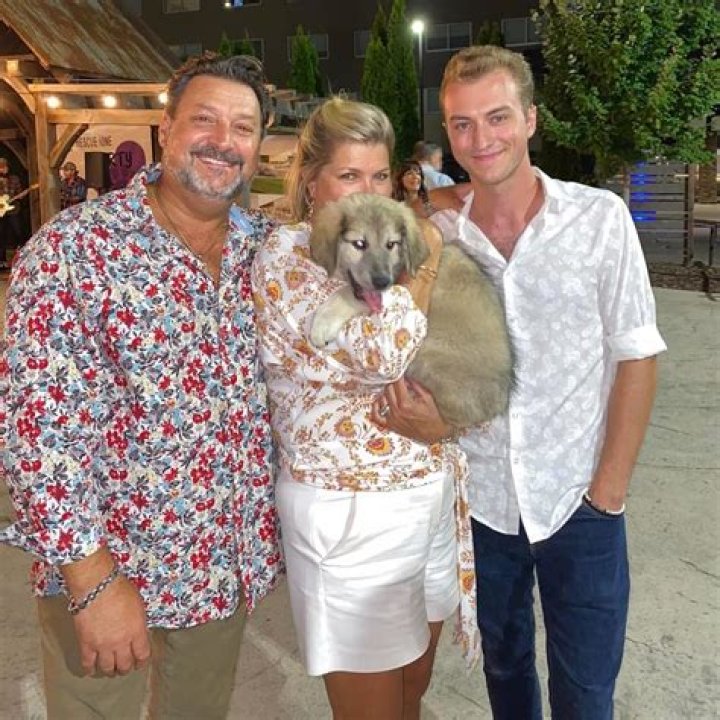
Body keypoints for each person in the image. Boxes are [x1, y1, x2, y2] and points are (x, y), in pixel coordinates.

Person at [380, 45, 667, 719]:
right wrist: (422, 197)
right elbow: (353, 219)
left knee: (586, 691)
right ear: (447, 133)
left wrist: (609, 491)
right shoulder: (436, 233)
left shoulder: (598, 219)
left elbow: (636, 354)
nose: (481, 138)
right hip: (480, 503)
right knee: (505, 672)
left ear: (531, 119)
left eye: (498, 117)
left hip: (579, 500)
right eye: (462, 124)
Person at [0, 53, 282, 720]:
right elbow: (37, 432)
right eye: (205, 119)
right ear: (166, 128)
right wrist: (91, 580)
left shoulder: (271, 253)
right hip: (111, 573)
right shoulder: (77, 249)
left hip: (221, 573)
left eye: (243, 127)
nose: (224, 141)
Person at [251, 97, 478, 720]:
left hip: (427, 494)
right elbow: (384, 353)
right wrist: (423, 270)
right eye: (349, 175)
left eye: (380, 175)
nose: (370, 191)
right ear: (312, 181)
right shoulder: (290, 257)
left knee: (412, 689)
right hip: (350, 515)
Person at [0, 156, 26, 261]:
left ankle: (22, 255)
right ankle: (1, 259)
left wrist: (21, 195)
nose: (3, 169)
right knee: (1, 234)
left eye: (4, 167)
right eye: (1, 167)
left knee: (18, 231)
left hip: (13, 209)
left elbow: (20, 191)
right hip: (1, 210)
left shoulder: (14, 178)